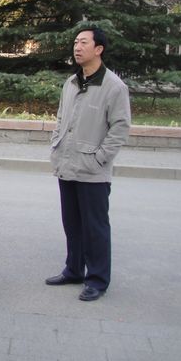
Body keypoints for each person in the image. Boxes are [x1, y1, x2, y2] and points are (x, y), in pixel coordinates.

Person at [46, 26, 131, 302]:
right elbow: (61, 118)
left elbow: (120, 127)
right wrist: (56, 144)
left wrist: (100, 158)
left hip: (93, 170)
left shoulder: (114, 87)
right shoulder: (71, 82)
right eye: (75, 42)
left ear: (99, 49)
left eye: (83, 42)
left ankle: (97, 279)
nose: (77, 47)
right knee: (72, 224)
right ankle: (74, 270)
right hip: (67, 164)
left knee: (95, 228)